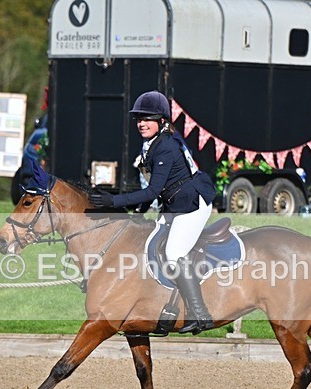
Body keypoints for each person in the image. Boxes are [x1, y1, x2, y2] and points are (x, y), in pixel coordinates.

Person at [88, 90, 217, 334]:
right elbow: (155, 191)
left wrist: (113, 201)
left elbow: (153, 190)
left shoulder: (165, 147)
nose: (141, 123)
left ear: (162, 121)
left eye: (147, 118)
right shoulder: (154, 142)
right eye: (138, 119)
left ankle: (201, 314)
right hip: (175, 203)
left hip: (192, 205)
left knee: (174, 251)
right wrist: (139, 210)